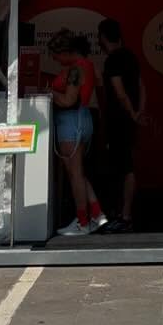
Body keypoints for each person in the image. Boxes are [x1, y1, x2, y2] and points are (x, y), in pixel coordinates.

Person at [47, 28, 103, 237]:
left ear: (66, 51)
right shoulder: (86, 65)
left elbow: (68, 100)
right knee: (77, 173)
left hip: (70, 122)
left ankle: (83, 222)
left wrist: (49, 92)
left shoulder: (75, 69)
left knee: (75, 175)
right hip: (82, 119)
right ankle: (96, 215)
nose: (55, 59)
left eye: (56, 55)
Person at [97, 17, 143, 233]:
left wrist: (131, 113)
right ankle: (124, 215)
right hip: (129, 120)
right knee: (127, 166)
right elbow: (142, 87)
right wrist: (139, 112)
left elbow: (119, 92)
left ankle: (124, 216)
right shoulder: (131, 57)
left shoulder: (112, 60)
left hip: (118, 120)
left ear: (103, 37)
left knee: (123, 167)